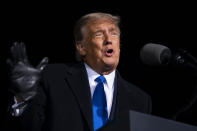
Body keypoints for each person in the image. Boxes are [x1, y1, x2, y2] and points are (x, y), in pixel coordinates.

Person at [7, 12, 152, 131]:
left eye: (114, 34)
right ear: (81, 47)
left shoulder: (140, 100)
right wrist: (24, 98)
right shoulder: (53, 78)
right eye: (99, 34)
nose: (109, 40)